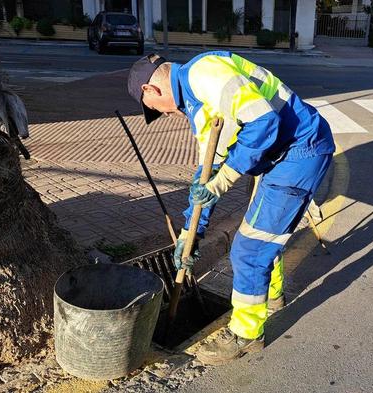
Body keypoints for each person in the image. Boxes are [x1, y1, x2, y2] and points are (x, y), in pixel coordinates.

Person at [127, 52, 335, 365]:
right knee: (260, 236)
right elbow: (206, 174)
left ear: (151, 91)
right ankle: (271, 297)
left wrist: (225, 179)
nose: (166, 116)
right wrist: (191, 231)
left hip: (299, 153)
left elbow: (264, 121)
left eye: (156, 111)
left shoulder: (204, 75)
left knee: (249, 249)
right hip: (282, 157)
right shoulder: (198, 100)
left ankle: (246, 334)